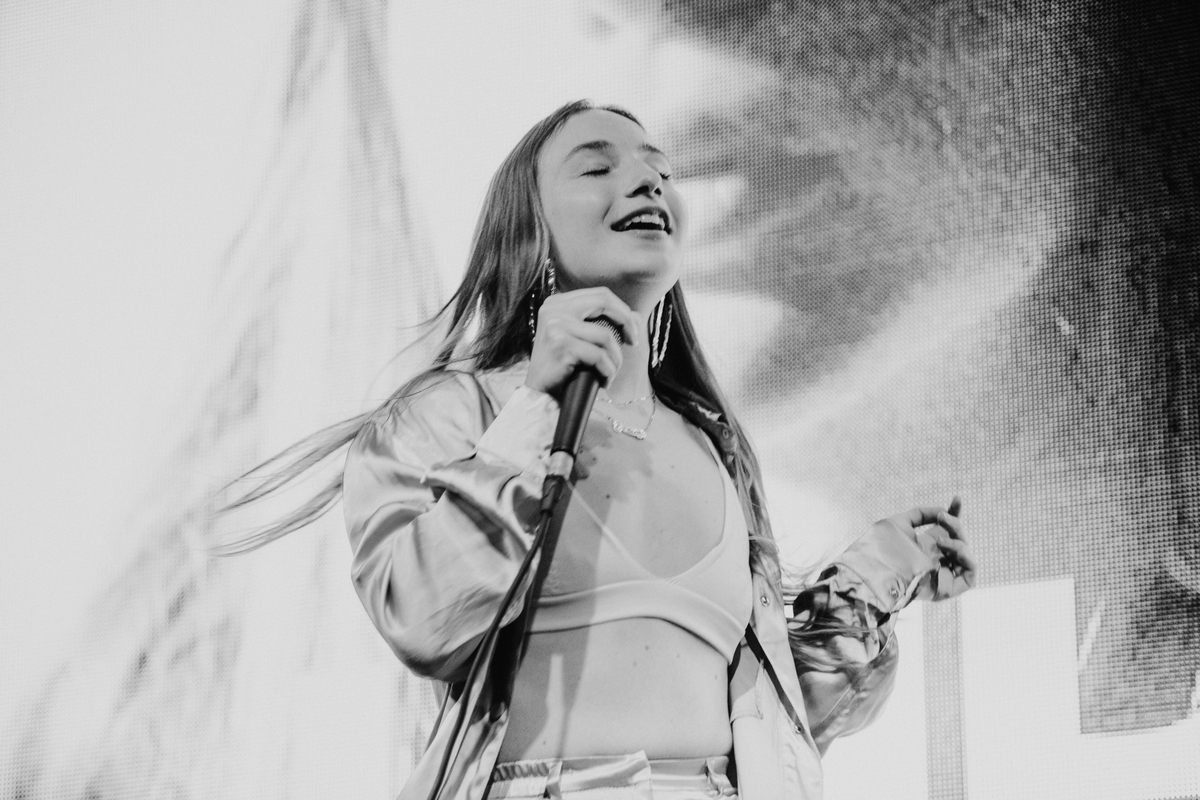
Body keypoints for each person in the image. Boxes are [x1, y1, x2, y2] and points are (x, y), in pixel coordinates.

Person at [239, 99, 976, 800]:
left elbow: (770, 721)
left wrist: (878, 575)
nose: (648, 181)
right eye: (597, 167)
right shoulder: (451, 416)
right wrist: (537, 406)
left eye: (660, 169)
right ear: (530, 231)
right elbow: (423, 619)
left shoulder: (714, 447)